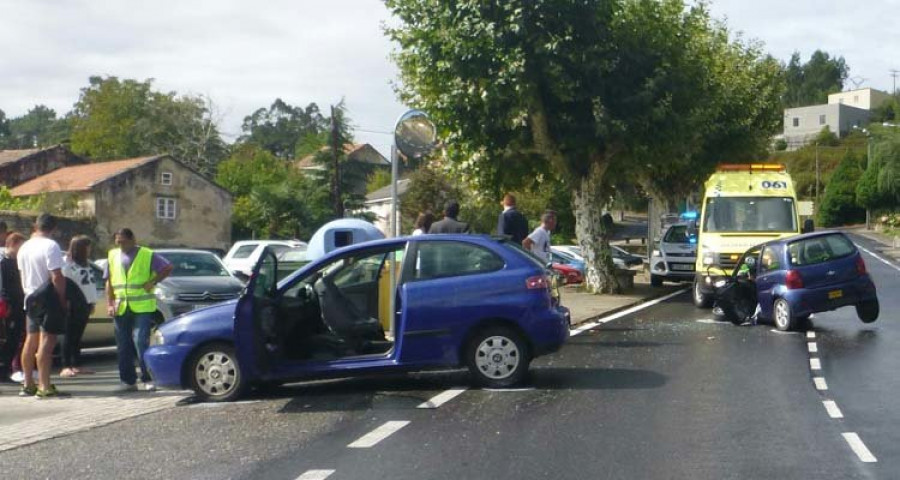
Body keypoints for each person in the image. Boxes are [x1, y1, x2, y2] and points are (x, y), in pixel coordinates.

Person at [105, 228, 172, 392]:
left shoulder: (147, 254)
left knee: (141, 342)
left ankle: (147, 378)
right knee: (123, 344)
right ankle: (128, 381)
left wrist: (153, 281)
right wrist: (110, 303)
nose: (120, 245)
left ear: (132, 239)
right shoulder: (112, 255)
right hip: (121, 306)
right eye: (118, 242)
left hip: (142, 305)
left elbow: (167, 267)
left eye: (123, 242)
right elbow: (109, 282)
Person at [18, 214, 68, 398]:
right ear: (53, 228)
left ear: (35, 226)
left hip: (30, 297)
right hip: (48, 297)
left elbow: (22, 274)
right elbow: (56, 276)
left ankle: (27, 384)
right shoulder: (50, 246)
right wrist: (62, 298)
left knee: (30, 341)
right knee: (47, 341)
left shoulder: (24, 247)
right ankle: (45, 386)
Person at [60, 235, 98, 377]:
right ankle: (65, 365)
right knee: (69, 335)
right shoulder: (67, 264)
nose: (89, 250)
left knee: (77, 336)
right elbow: (64, 284)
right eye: (87, 247)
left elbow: (90, 283)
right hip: (73, 303)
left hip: (86, 303)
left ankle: (76, 364)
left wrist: (92, 301)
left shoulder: (86, 263)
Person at [1, 232, 26, 383]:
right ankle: (4, 370)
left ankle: (7, 369)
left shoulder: (17, 261)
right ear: (14, 244)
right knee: (8, 339)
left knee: (15, 338)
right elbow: (3, 286)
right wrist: (6, 303)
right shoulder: (3, 262)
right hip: (9, 305)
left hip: (18, 304)